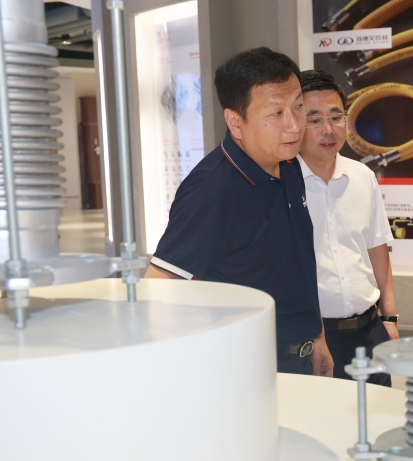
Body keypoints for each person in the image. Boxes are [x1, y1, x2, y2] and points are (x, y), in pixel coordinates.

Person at [146, 47, 334, 376]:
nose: (294, 126)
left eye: (298, 107)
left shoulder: (288, 165)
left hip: (298, 354)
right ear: (236, 121)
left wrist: (317, 337)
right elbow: (159, 290)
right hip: (245, 365)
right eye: (276, 113)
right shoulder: (211, 192)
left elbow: (298, 263)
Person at [297, 70, 397, 386]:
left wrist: (390, 318)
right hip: (313, 340)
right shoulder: (281, 185)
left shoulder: (362, 176)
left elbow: (376, 246)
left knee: (378, 413)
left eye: (336, 116)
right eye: (314, 119)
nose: (328, 129)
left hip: (370, 331)